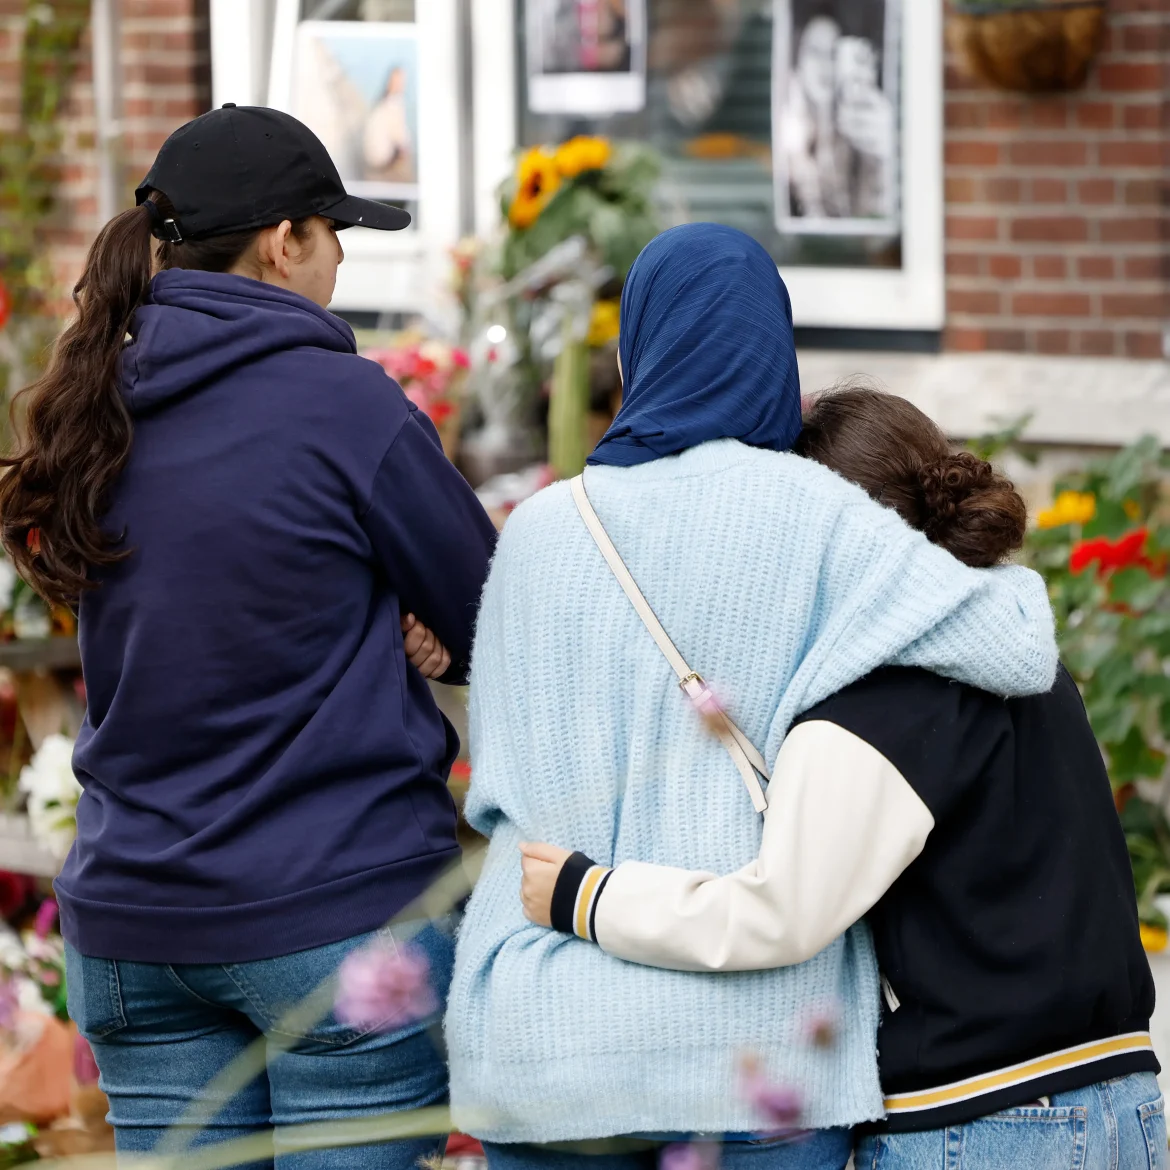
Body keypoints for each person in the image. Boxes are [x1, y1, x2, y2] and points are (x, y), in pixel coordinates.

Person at [444, 223, 1058, 1170]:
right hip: (754, 1050)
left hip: (545, 1038)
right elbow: (1014, 646)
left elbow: (497, 778)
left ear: (636, 348)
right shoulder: (814, 516)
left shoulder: (535, 532)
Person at [0, 105, 497, 1168]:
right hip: (328, 912)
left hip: (135, 921)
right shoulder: (342, 404)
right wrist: (433, 640)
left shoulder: (96, 402)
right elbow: (496, 612)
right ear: (284, 240)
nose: (337, 262)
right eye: (334, 234)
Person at [520, 386, 1164, 1170]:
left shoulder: (879, 699)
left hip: (982, 1120)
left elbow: (780, 910)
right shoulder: (1021, 652)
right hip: (1121, 1100)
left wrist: (588, 896)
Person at [363, 66, 414, 185]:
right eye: (399, 81)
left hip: (381, 163)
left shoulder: (386, 103)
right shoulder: (390, 104)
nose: (401, 84)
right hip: (384, 165)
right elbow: (399, 139)